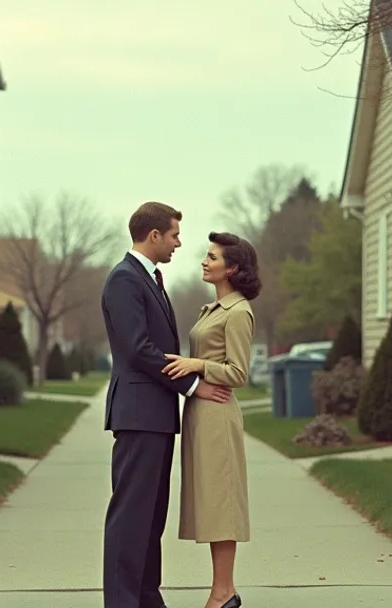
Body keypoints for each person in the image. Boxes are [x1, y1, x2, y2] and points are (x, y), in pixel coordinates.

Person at [100, 201, 234, 608]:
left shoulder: (150, 279)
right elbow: (139, 349)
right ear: (154, 235)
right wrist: (195, 385)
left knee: (150, 518)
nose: (179, 243)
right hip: (138, 415)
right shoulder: (124, 280)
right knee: (130, 518)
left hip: (155, 417)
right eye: (174, 234)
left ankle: (146, 599)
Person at [161, 231, 261, 608]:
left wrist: (196, 364)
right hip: (201, 415)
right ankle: (222, 590)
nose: (204, 261)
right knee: (209, 502)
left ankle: (224, 592)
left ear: (232, 268)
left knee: (221, 503)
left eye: (212, 257)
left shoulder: (238, 312)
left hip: (218, 416)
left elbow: (238, 373)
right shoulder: (213, 310)